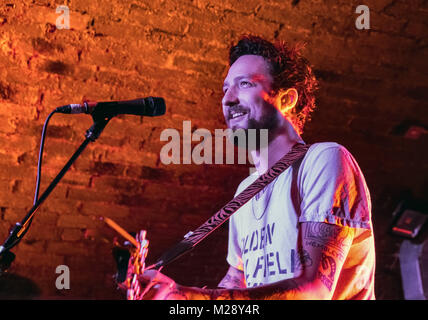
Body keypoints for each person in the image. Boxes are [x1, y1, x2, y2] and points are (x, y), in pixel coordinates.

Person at [139, 35, 376, 300]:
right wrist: (173, 298)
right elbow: (235, 285)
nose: (227, 99)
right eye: (225, 89)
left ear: (287, 99)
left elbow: (314, 292)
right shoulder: (244, 191)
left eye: (244, 84)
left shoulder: (322, 160)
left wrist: (187, 296)